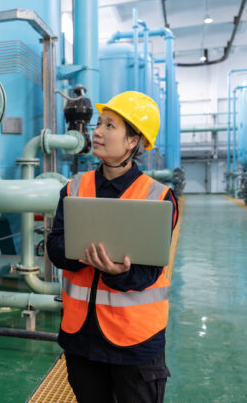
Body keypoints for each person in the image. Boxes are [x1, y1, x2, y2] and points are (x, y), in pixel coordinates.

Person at [47, 91, 178, 403]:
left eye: (110, 126)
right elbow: (55, 247)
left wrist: (118, 273)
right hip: (82, 339)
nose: (97, 132)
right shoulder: (75, 188)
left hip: (134, 342)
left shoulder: (158, 198)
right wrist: (83, 254)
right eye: (99, 123)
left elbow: (149, 271)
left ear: (133, 141)